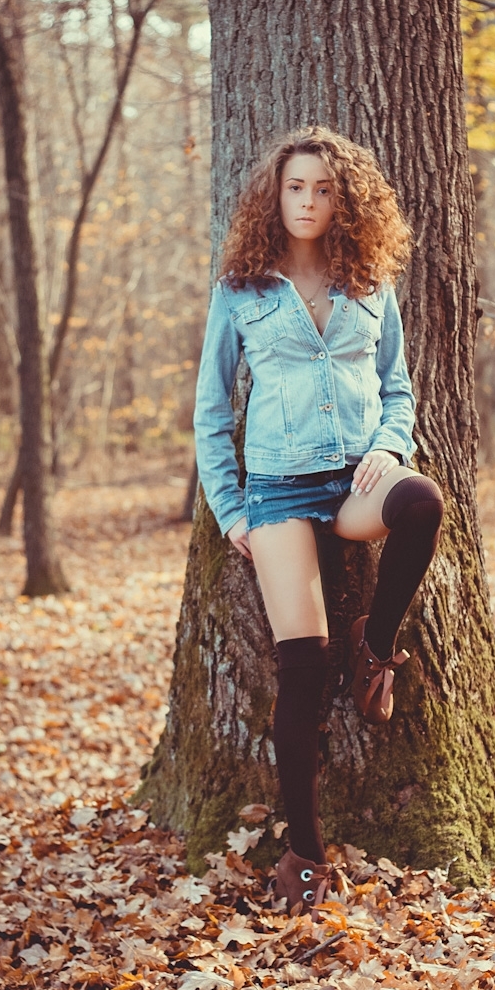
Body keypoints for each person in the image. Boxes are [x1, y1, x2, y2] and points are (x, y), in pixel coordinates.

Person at [193, 126, 444, 914]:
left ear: (344, 201)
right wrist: (229, 505)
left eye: (323, 189)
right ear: (277, 196)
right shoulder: (242, 290)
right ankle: (303, 853)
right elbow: (210, 410)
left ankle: (378, 651)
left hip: (354, 483)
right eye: (295, 188)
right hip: (275, 494)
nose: (307, 201)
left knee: (423, 503)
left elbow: (397, 388)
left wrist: (389, 445)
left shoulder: (370, 285)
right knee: (301, 668)